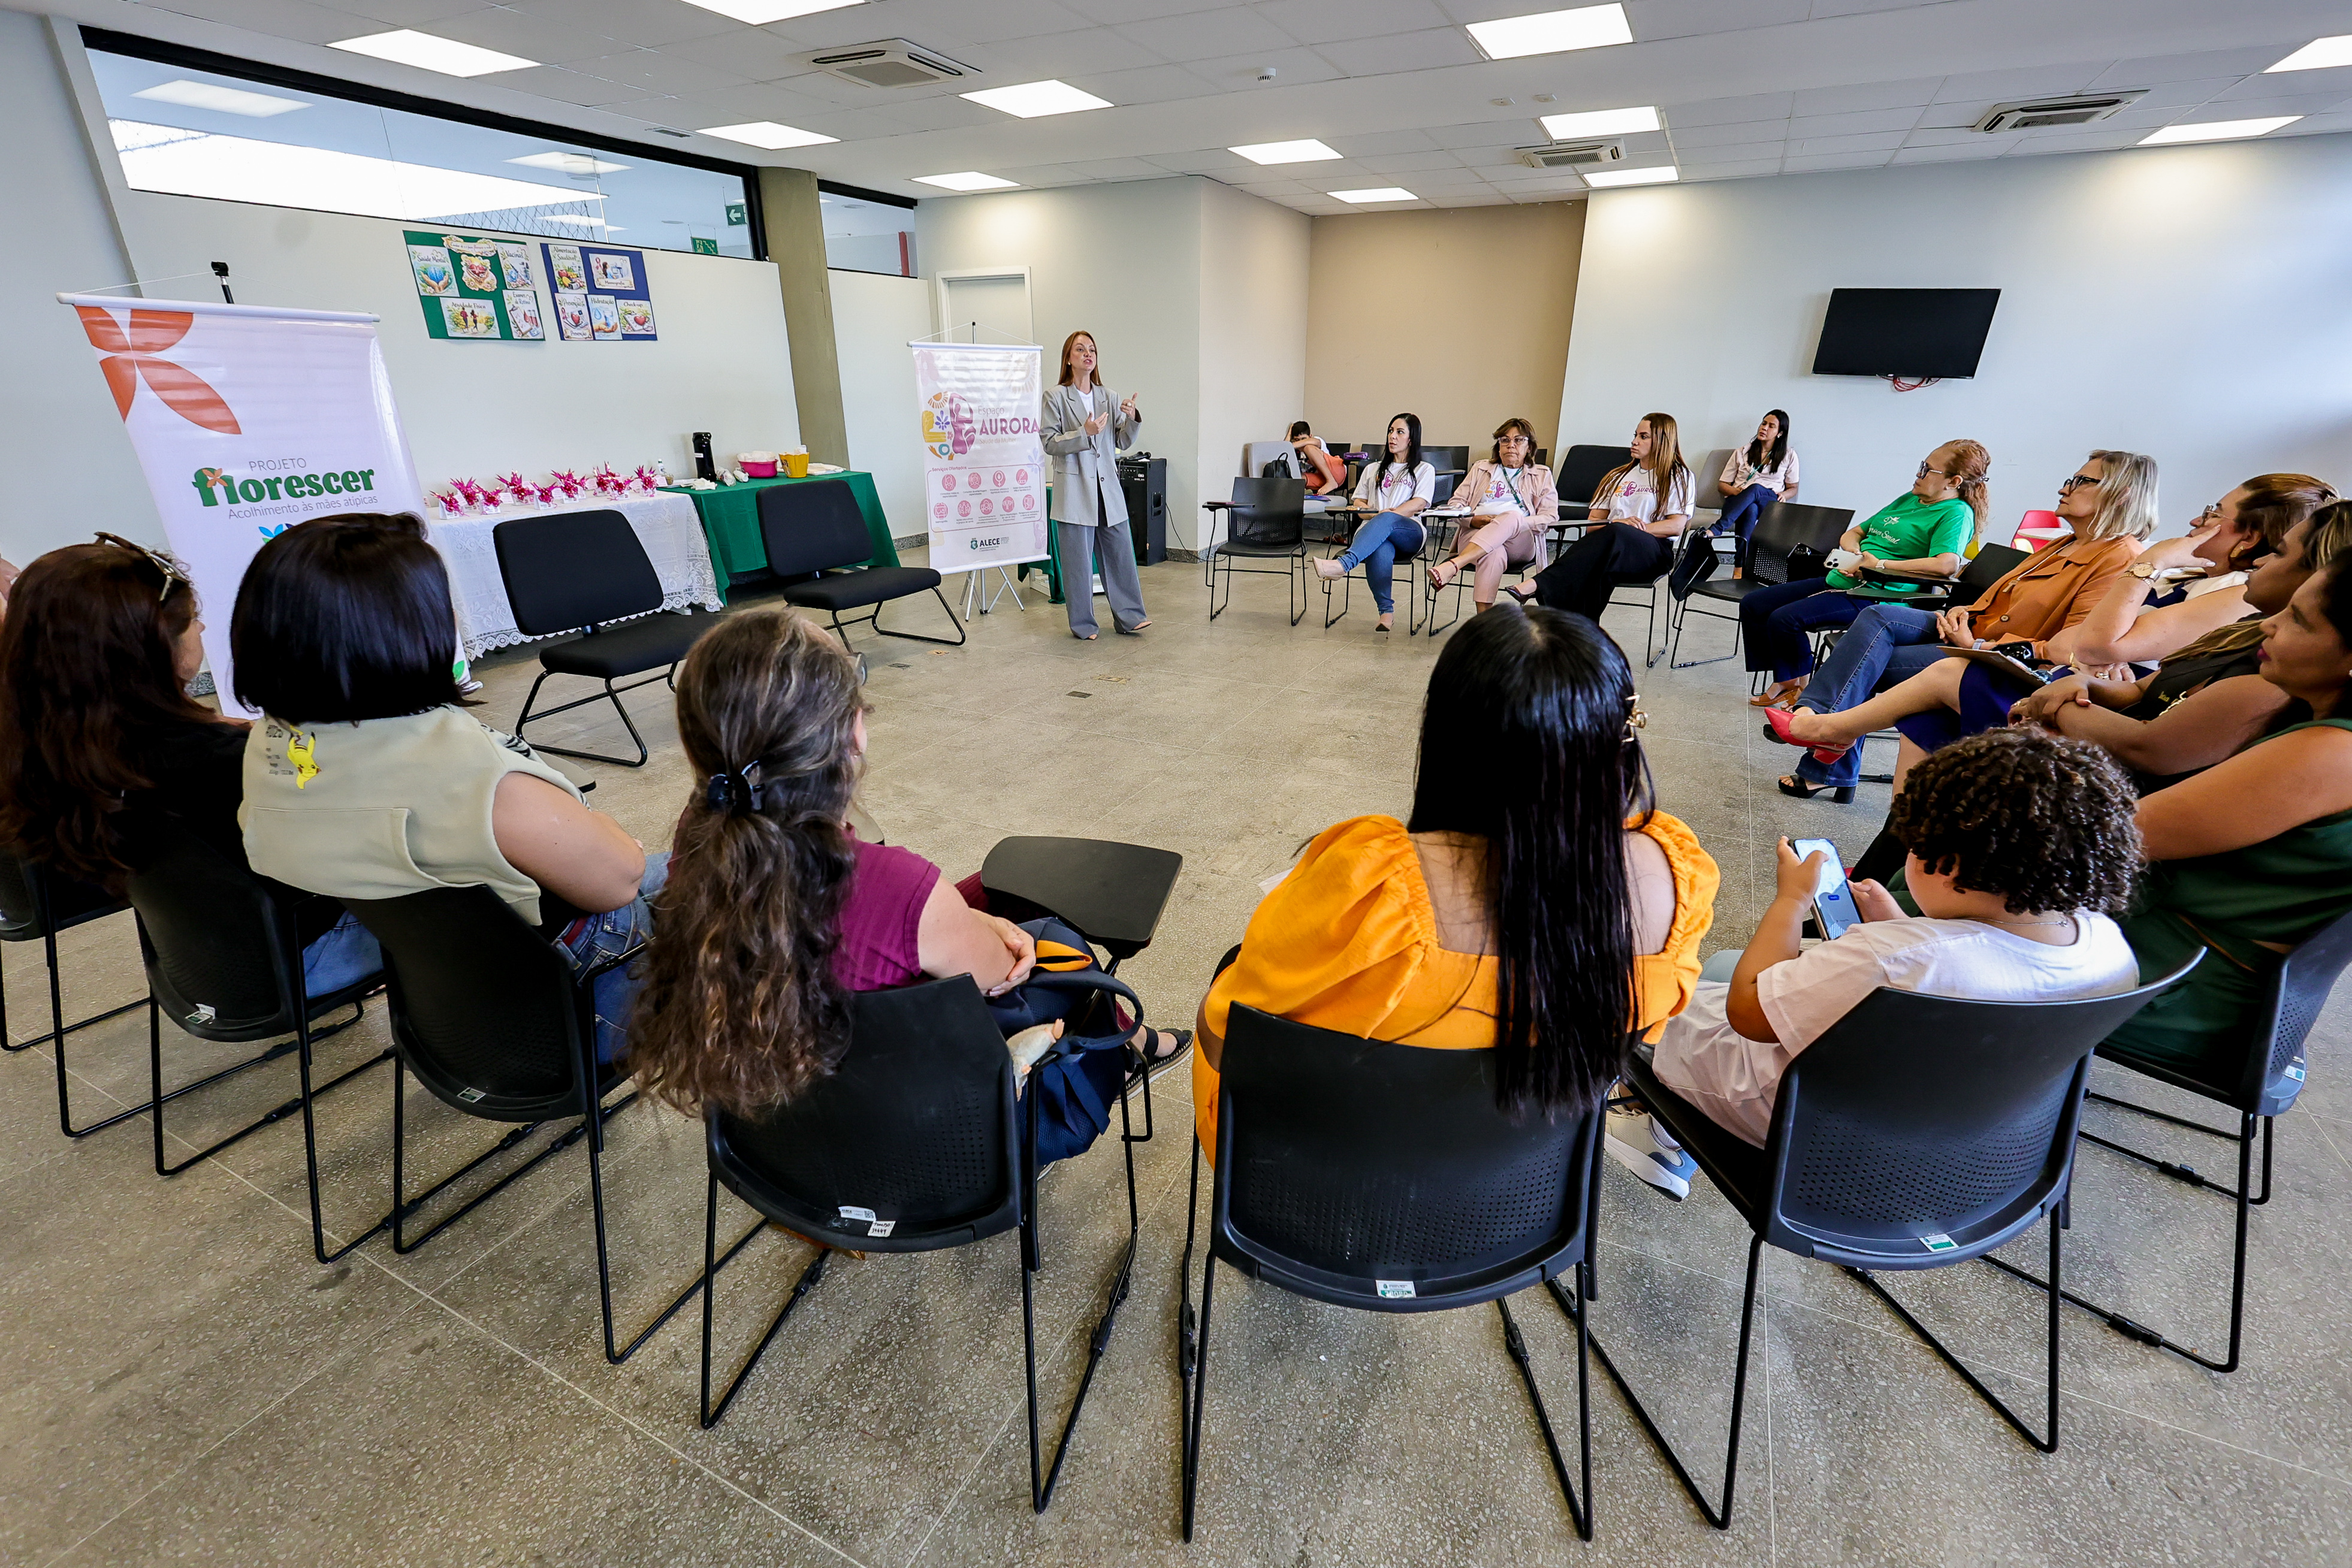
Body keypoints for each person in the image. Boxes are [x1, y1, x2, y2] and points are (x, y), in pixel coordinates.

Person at [1192, 604, 1720, 1182]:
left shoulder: (1372, 883)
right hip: (1515, 1196)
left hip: (1312, 1185)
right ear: (1620, 739)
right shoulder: (1677, 880)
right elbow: (1645, 1032)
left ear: (1448, 734)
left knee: (1231, 971)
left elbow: (1225, 1047)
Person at [623, 608, 1187, 1126]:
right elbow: (998, 973)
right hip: (934, 1127)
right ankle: (1130, 1047)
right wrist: (979, 925)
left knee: (987, 894)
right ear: (852, 734)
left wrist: (968, 915)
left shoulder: (699, 837)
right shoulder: (894, 886)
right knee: (1059, 942)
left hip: (784, 1131)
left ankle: (1135, 1040)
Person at [231, 513, 656, 1065]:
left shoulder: (271, 745)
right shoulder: (476, 779)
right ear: (405, 626)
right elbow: (619, 881)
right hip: (568, 1026)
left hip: (441, 1024)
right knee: (700, 870)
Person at [1653, 730, 2141, 1147]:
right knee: (1725, 965)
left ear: (1946, 864)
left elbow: (1747, 1014)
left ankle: (1654, 1130)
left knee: (1654, 1000)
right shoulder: (2108, 947)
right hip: (1965, 1140)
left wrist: (1792, 900)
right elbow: (1963, 969)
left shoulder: (1895, 957)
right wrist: (1897, 924)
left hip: (1809, 1128)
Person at [0, 536, 379, 995]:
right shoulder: (215, 762)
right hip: (293, 962)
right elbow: (352, 850)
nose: (200, 627)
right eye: (190, 619)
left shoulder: (56, 741)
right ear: (151, 647)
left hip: (195, 965)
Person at [1769, 449, 2154, 801]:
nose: (2064, 488)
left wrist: (1977, 644)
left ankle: (1826, 738)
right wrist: (1964, 611)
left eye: (2081, 481)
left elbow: (2075, 646)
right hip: (1972, 630)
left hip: (2000, 658)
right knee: (1877, 617)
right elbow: (2003, 600)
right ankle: (1820, 722)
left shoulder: (2120, 558)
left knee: (1864, 659)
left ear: (2121, 494)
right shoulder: (2065, 543)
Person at [2103, 557, 2352, 1080]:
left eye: (2298, 619)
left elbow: (2111, 838)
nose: (2269, 624)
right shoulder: (2324, 735)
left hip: (2177, 990)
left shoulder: (2331, 754)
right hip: (2186, 963)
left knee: (1944, 896)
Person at [2011, 501, 2352, 790]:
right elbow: (2142, 688)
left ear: (2318, 573)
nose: (2259, 561)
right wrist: (2084, 684)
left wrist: (2150, 563)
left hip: (2121, 788)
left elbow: (2148, 746)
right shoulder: (2250, 625)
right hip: (2100, 753)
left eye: (2278, 553)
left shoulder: (2280, 660)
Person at [1735, 440, 1988, 704]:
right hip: (1845, 577)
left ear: (1953, 482)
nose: (1918, 474)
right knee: (1754, 604)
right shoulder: (1911, 499)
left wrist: (1879, 565)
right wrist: (1856, 555)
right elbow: (1854, 533)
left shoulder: (1956, 514)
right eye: (1922, 466)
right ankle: (1788, 676)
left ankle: (1797, 685)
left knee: (1785, 619)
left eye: (1927, 470)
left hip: (1878, 594)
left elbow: (1946, 564)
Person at [2058, 474, 2334, 670]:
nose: (2195, 521)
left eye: (2214, 514)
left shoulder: (2240, 594)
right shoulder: (2191, 577)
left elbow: (2094, 646)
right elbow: (2069, 641)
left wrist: (2151, 561)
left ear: (2249, 538)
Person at [1503, 412, 1693, 624]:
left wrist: (1629, 530)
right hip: (1611, 550)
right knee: (1599, 568)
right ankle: (1578, 630)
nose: (1634, 441)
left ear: (1662, 440)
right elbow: (1593, 525)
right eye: (1635, 435)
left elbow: (1676, 526)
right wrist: (1617, 525)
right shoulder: (1617, 476)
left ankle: (1540, 583)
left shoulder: (1678, 475)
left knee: (1616, 534)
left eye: (1643, 437)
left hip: (1653, 553)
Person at [1043, 330, 1148, 641]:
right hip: (1074, 489)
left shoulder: (1109, 397)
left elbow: (1121, 441)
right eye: (1080, 349)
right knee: (1078, 562)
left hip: (1107, 489)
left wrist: (1132, 418)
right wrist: (1084, 433)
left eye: (1092, 350)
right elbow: (1049, 443)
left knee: (1120, 554)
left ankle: (1130, 618)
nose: (1088, 354)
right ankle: (1084, 625)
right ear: (1068, 358)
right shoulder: (1055, 397)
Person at [1312, 412, 1436, 632]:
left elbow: (1419, 503)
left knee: (1388, 519)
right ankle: (1386, 613)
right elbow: (1359, 504)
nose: (1393, 436)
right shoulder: (1372, 469)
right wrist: (1376, 515)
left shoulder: (1424, 469)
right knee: (1381, 548)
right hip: (1374, 532)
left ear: (1412, 439)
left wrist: (1388, 515)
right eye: (1391, 431)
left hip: (1409, 533)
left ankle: (1343, 565)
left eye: (1400, 432)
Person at [1425, 419, 1560, 614]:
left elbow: (1550, 517)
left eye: (1518, 440)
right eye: (1505, 440)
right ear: (1498, 446)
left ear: (1529, 447)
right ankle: (1485, 620)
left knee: (1511, 517)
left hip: (1520, 540)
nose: (1510, 445)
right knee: (1493, 552)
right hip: (1476, 533)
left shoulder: (1541, 474)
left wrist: (1516, 523)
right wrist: (1472, 520)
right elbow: (1456, 505)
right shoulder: (1481, 468)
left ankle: (1454, 565)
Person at [1668, 409, 1800, 596]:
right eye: (1764, 423)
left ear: (1780, 433)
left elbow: (1793, 488)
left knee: (1755, 489)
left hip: (1769, 502)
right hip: (1739, 501)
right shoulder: (1742, 452)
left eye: (1771, 426)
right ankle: (1740, 569)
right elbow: (1723, 485)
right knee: (1750, 508)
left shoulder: (1789, 455)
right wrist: (1738, 492)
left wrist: (1784, 496)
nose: (1764, 428)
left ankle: (1717, 529)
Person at [1288, 421, 1346, 497]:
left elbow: (1312, 442)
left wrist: (1292, 445)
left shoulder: (1315, 441)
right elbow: (1282, 452)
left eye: (1304, 439)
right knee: (1297, 479)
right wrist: (1289, 436)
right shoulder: (1295, 452)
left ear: (1310, 436)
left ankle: (1331, 481)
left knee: (1308, 448)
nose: (1301, 443)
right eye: (1297, 440)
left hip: (1336, 471)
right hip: (1321, 480)